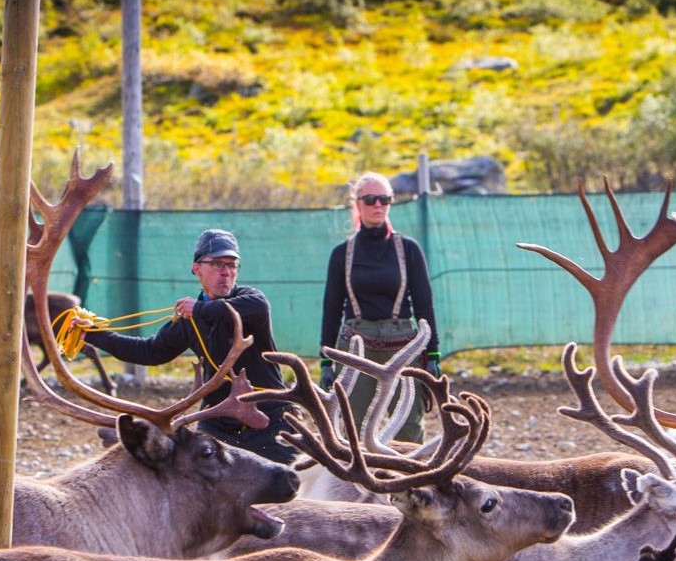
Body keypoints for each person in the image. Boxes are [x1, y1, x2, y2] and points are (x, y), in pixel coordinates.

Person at [81, 229, 296, 463]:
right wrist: (94, 334)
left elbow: (257, 306)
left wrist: (200, 308)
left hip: (271, 418)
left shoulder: (250, 300)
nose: (226, 272)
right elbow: (150, 352)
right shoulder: (189, 319)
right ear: (197, 268)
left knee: (289, 481)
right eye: (217, 264)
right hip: (218, 422)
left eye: (232, 265)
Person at [320, 171, 441, 443]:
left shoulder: (409, 250)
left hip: (402, 346)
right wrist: (326, 359)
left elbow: (424, 304)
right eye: (370, 199)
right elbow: (331, 308)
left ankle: (410, 472)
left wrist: (432, 353)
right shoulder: (342, 254)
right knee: (353, 426)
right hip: (356, 347)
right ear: (357, 203)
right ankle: (358, 473)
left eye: (384, 199)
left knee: (408, 427)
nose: (378, 205)